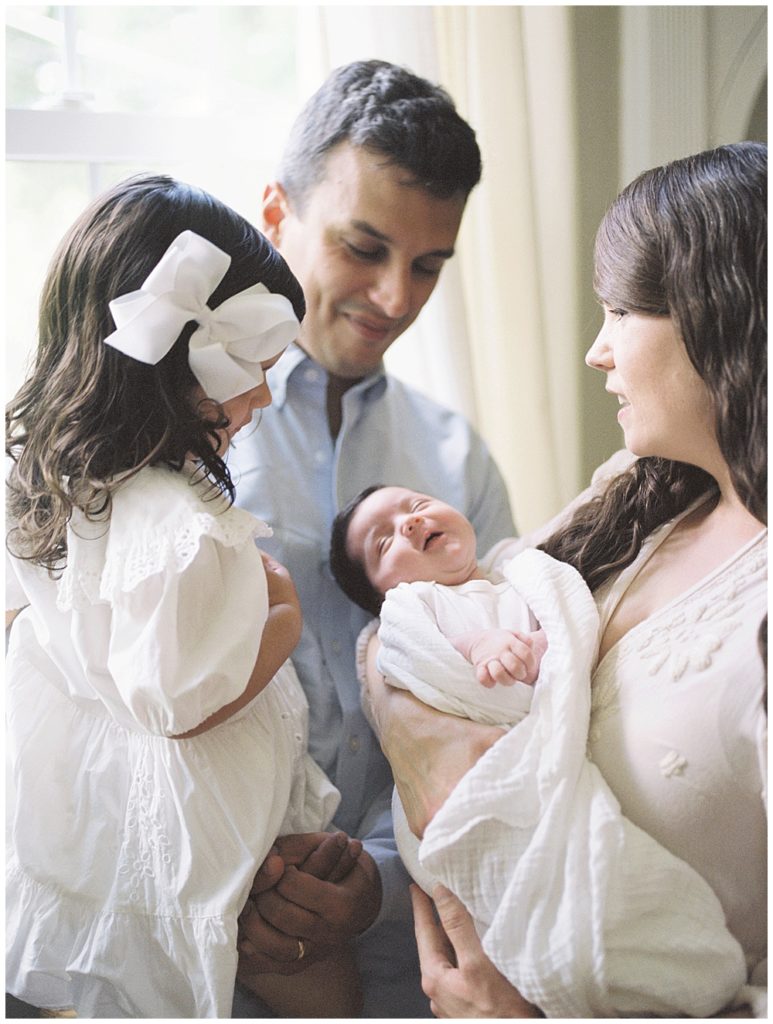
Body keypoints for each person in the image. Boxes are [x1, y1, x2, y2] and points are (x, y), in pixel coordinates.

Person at [363, 140, 767, 1017]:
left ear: (719, 316)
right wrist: (429, 741)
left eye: (621, 310)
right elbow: (415, 619)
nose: (596, 351)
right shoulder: (633, 497)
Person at [4, 173, 363, 1019]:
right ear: (180, 365)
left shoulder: (78, 490)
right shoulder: (177, 525)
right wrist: (281, 615)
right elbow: (178, 699)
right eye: (252, 372)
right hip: (182, 834)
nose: (264, 398)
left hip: (97, 819)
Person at [229, 60, 515, 1017]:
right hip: (198, 949)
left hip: (409, 960)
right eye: (364, 247)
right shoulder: (172, 427)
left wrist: (378, 884)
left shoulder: (455, 458)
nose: (396, 296)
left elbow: (504, 715)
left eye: (429, 264)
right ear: (275, 213)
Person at [331, 484, 748, 1017]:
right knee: (545, 876)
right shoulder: (417, 606)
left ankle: (650, 963)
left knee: (595, 849)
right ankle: (601, 961)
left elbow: (565, 633)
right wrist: (480, 647)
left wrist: (548, 648)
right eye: (383, 542)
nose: (409, 524)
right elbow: (415, 653)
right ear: (381, 594)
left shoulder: (523, 573)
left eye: (416, 506)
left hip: (545, 744)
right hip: (482, 772)